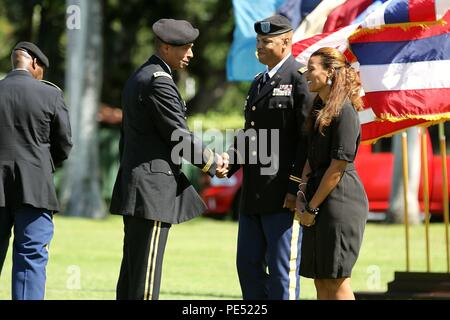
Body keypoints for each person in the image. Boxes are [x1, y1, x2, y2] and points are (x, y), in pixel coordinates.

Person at [110, 18, 227, 300]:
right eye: (185, 49)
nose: (191, 55)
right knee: (145, 281)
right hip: (151, 191)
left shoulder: (142, 75)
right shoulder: (158, 82)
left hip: (138, 185)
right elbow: (178, 135)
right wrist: (213, 162)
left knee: (132, 273)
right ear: (165, 48)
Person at [221, 15, 313, 300]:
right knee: (247, 266)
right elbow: (251, 134)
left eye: (266, 41)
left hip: (282, 196)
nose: (258, 47)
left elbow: (307, 140)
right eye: (258, 41)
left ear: (286, 41)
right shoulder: (259, 81)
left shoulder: (300, 78)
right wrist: (229, 160)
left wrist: (294, 187)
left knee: (282, 271)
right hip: (254, 194)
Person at [0, 42, 72, 300]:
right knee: (30, 257)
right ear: (34, 64)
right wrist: (41, 166)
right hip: (35, 189)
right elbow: (64, 144)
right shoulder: (50, 95)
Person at [296, 47, 369, 300]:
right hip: (317, 198)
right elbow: (310, 159)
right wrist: (302, 196)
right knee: (321, 279)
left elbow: (336, 168)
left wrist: (312, 209)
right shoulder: (319, 108)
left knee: (336, 280)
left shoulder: (345, 112)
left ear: (330, 72)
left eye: (312, 68)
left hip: (340, 202)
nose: (306, 73)